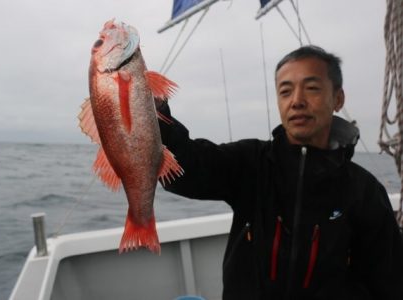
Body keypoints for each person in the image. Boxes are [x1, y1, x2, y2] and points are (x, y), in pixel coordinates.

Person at [157, 46, 403, 300]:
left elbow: (389, 285)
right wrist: (155, 114)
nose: (297, 100)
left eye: (312, 88)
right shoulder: (252, 163)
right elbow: (187, 168)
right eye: (285, 91)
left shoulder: (365, 192)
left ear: (338, 99)